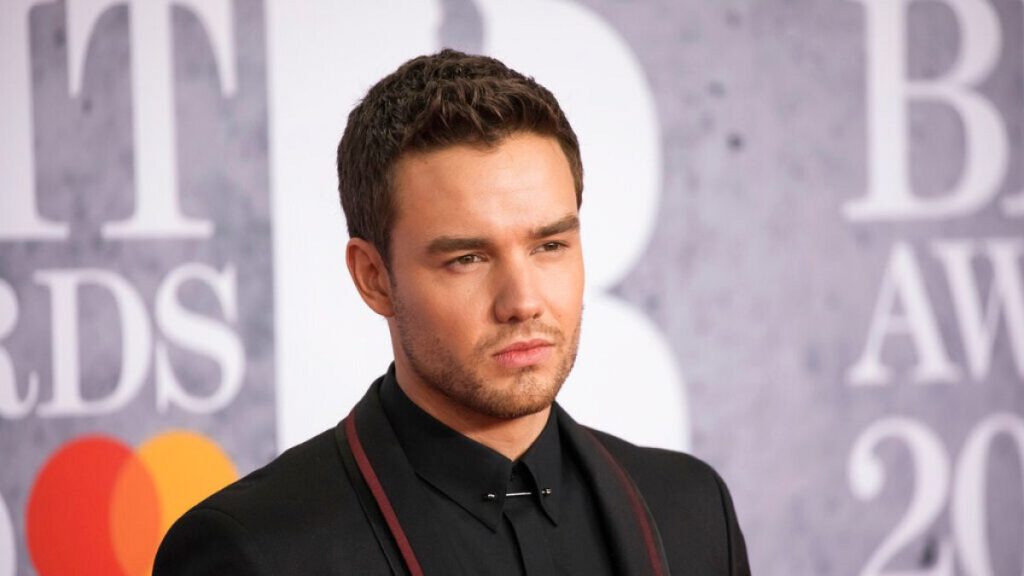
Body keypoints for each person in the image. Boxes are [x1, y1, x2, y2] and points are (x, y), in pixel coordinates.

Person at [154, 49, 751, 576]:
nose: (523, 301)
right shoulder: (254, 551)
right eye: (467, 258)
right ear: (373, 278)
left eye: (549, 246)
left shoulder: (692, 511)